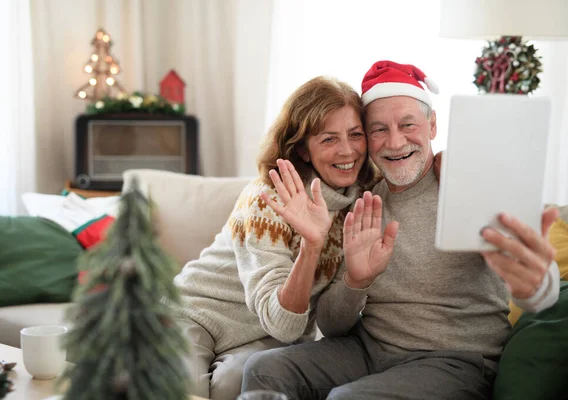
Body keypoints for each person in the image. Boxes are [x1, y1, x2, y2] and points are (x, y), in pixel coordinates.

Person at [241, 60, 561, 400]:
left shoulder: (472, 184)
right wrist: (356, 282)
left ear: (432, 125)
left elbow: (538, 282)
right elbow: (331, 326)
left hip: (453, 361)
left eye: (407, 124)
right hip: (369, 350)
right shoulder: (364, 202)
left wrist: (539, 286)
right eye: (378, 129)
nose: (394, 142)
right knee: (264, 369)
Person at [174, 75, 379, 399]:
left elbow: (293, 327)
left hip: (267, 332)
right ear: (303, 149)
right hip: (193, 314)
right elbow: (281, 320)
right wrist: (312, 246)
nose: (347, 150)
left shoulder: (359, 203)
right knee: (179, 387)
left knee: (238, 386)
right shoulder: (266, 200)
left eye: (355, 135)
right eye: (328, 139)